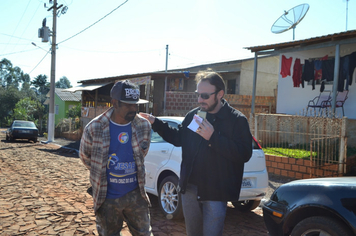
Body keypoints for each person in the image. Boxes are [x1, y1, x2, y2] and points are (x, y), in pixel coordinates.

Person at [140, 69, 253, 236]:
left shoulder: (236, 120)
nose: (200, 100)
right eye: (198, 94)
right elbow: (179, 138)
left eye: (205, 96)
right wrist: (155, 122)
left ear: (220, 94)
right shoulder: (196, 116)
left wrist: (213, 138)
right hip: (190, 189)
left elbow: (244, 153)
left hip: (216, 192)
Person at [79, 80, 153, 236]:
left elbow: (142, 154)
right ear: (114, 103)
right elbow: (86, 157)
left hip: (136, 195)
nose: (133, 109)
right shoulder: (95, 127)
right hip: (107, 197)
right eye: (128, 105)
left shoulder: (144, 126)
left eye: (136, 105)